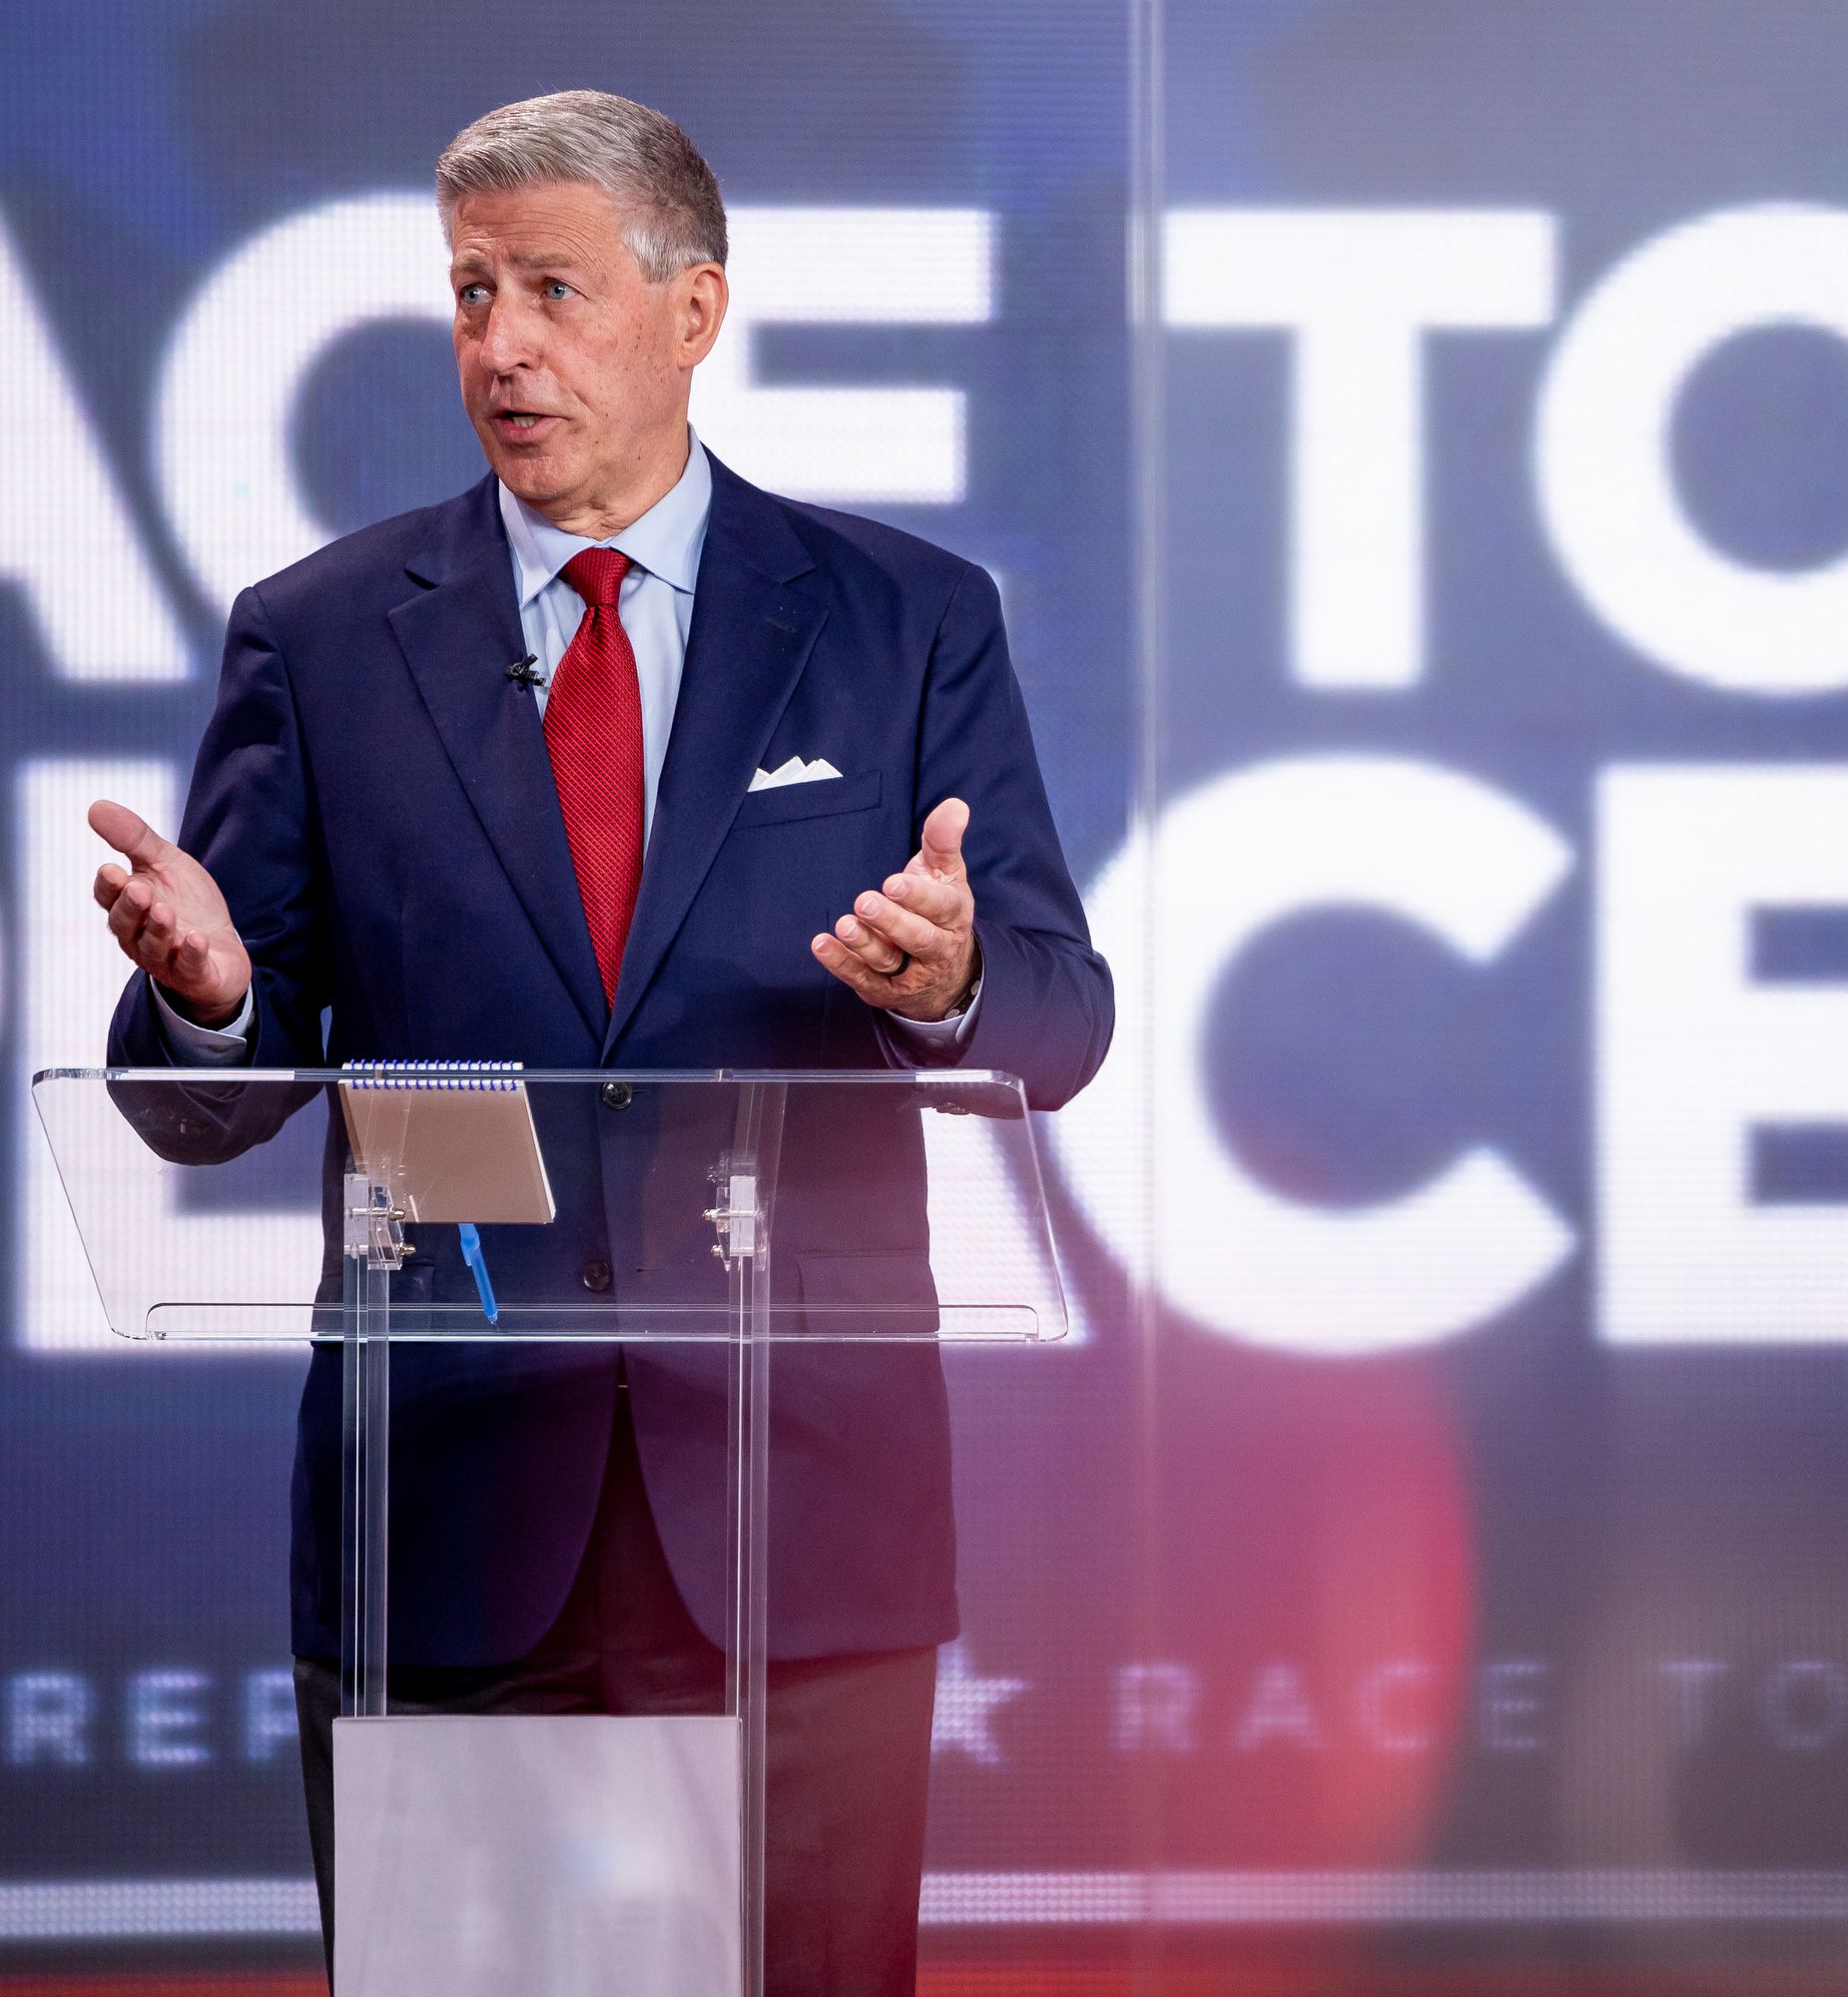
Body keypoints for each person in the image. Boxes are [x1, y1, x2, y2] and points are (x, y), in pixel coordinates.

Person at [86, 91, 1111, 1995]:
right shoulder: (319, 640)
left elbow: (1057, 1024)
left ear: (694, 309)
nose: (501, 346)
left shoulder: (903, 624)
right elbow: (194, 1100)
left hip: (800, 1532)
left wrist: (944, 987)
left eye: (551, 290)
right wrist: (217, 996)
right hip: (456, 1527)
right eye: (470, 295)